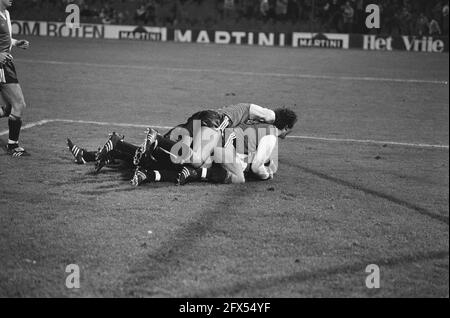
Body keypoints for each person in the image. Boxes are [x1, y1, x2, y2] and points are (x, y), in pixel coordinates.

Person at [0, 0, 30, 157]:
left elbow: (5, 38)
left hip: (6, 64)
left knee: (9, 109)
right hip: (1, 66)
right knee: (19, 104)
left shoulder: (6, 13)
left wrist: (16, 42)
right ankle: (13, 146)